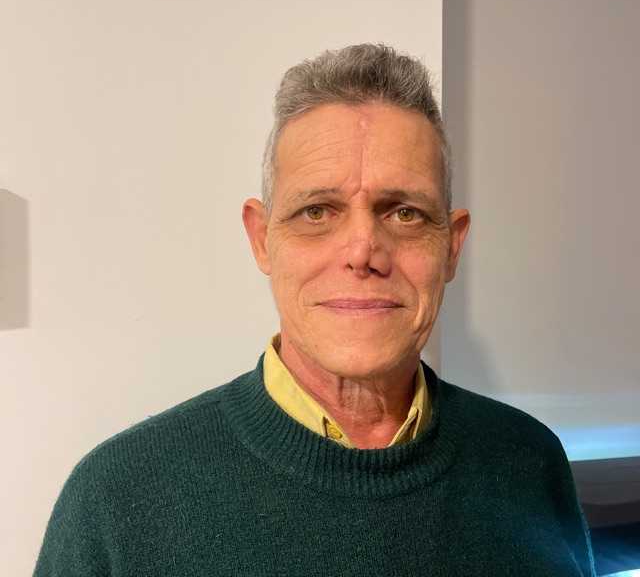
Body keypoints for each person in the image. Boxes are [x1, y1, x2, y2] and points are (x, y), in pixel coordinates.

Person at [33, 43, 596, 576]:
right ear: (261, 240)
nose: (362, 252)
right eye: (317, 212)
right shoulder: (114, 502)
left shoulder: (531, 462)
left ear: (452, 245)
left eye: (404, 213)